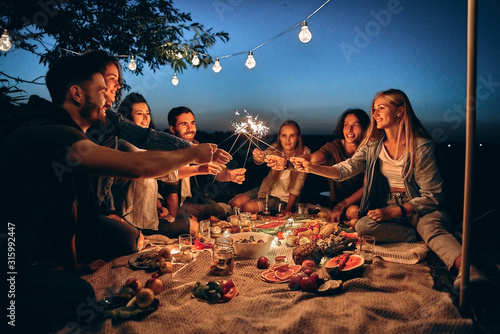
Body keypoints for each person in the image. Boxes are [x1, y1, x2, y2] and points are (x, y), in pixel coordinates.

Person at [0, 54, 222, 333]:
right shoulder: (52, 132)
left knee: (76, 289)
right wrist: (191, 152)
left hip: (19, 248)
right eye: (102, 90)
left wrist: (75, 266)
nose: (110, 98)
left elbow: (66, 209)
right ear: (77, 94)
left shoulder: (65, 132)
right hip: (8, 246)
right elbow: (139, 167)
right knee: (74, 298)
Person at [290, 89, 469, 282]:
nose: (374, 114)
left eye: (381, 108)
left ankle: (468, 272)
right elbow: (344, 169)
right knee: (364, 226)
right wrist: (312, 168)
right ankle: (417, 233)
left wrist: (393, 213)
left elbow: (433, 196)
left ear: (400, 111)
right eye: (374, 109)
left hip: (420, 207)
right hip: (389, 204)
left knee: (433, 230)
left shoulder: (420, 147)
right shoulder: (372, 145)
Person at [158, 106, 246, 223]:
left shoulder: (197, 146)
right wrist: (176, 218)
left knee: (219, 210)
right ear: (172, 129)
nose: (190, 128)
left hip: (193, 200)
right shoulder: (167, 150)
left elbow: (214, 169)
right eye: (184, 124)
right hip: (171, 205)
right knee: (212, 216)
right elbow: (171, 192)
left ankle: (198, 218)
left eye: (192, 123)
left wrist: (229, 174)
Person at [230, 120, 310, 214]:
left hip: (283, 199)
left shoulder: (305, 153)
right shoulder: (276, 147)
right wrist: (259, 157)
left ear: (298, 138)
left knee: (248, 207)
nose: (287, 140)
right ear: (279, 137)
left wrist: (288, 209)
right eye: (284, 135)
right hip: (266, 189)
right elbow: (265, 155)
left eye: (292, 135)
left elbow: (298, 186)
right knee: (236, 203)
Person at [307, 108, 370, 222]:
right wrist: (300, 159)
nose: (349, 129)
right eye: (346, 125)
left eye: (355, 125)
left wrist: (342, 205)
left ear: (365, 128)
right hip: (335, 207)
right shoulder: (333, 147)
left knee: (353, 211)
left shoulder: (369, 151)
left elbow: (366, 187)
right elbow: (313, 158)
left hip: (360, 207)